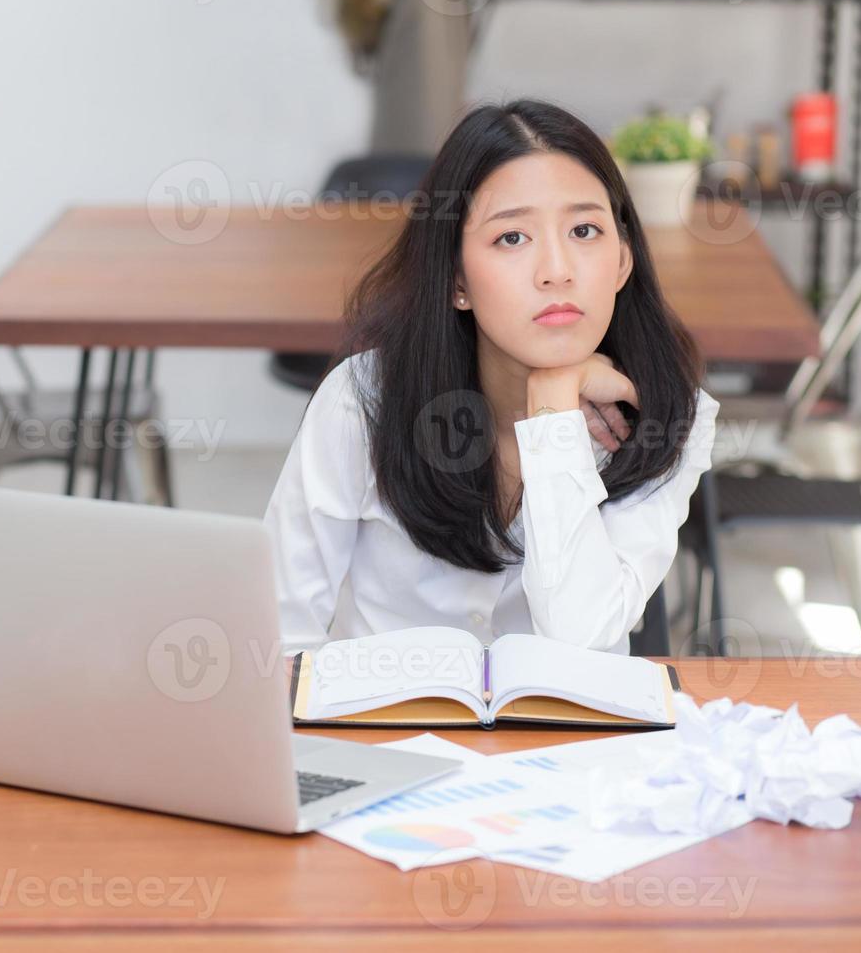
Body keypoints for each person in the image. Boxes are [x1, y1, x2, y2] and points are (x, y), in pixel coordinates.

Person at [264, 99, 718, 658]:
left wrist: (552, 406)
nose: (557, 270)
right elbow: (278, 629)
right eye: (512, 238)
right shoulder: (364, 400)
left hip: (568, 743)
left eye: (583, 229)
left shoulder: (665, 413)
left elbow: (580, 639)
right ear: (457, 279)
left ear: (622, 262)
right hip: (385, 740)